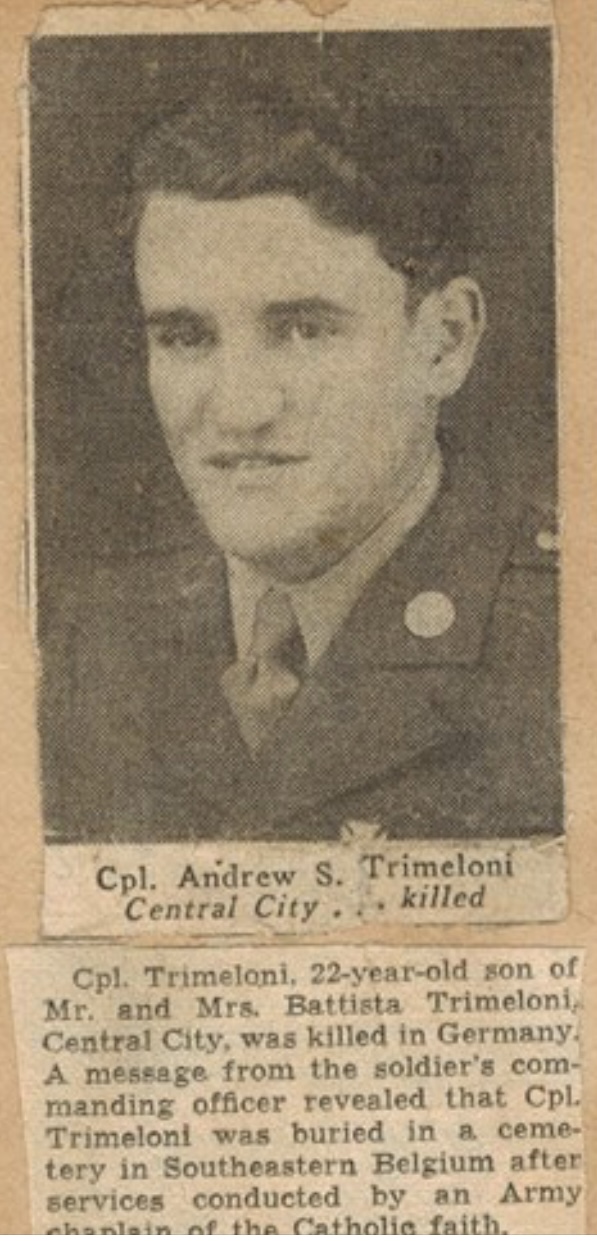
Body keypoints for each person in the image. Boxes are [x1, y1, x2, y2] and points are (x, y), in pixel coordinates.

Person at [41, 78, 562, 842]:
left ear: (443, 341)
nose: (239, 409)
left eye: (304, 330)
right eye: (185, 337)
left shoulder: (557, 639)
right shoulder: (94, 637)